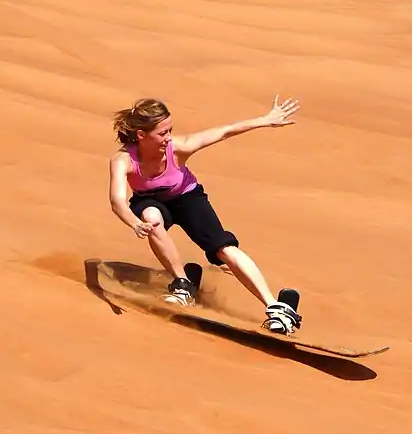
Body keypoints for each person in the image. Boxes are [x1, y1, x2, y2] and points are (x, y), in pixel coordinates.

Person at [109, 96, 302, 334]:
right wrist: (134, 223)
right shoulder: (124, 160)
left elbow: (224, 132)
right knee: (151, 217)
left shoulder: (180, 148)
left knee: (224, 249)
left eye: (170, 130)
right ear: (141, 135)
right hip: (149, 200)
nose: (168, 137)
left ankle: (276, 307)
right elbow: (117, 200)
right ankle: (183, 284)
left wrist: (265, 120)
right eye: (162, 133)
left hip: (188, 198)